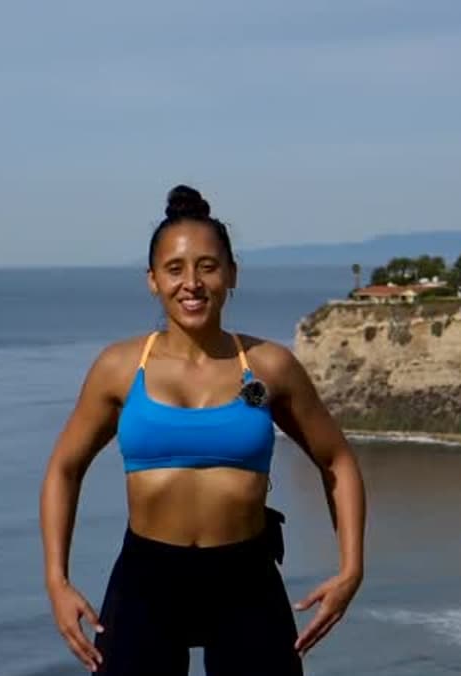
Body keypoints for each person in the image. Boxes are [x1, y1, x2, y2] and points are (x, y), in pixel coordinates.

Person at [38, 185, 367, 675]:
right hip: (146, 581)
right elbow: (64, 469)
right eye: (174, 269)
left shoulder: (269, 366)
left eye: (207, 266)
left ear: (231, 274)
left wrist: (351, 569)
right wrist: (57, 581)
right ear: (152, 280)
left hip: (246, 580)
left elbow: (336, 460)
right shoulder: (119, 367)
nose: (191, 283)